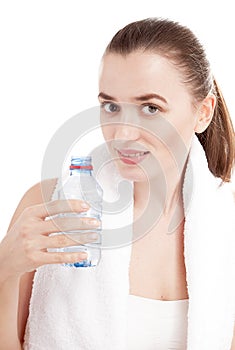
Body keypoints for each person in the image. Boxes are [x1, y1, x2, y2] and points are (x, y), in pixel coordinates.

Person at [0, 17, 235, 350]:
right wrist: (4, 268)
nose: (123, 133)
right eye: (110, 106)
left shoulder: (228, 226)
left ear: (203, 112)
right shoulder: (48, 206)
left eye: (150, 108)